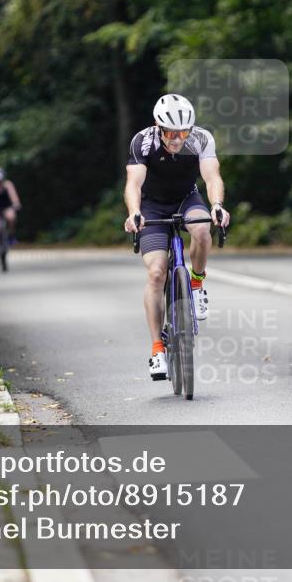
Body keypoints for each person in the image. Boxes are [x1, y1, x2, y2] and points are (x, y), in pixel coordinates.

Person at [123, 94, 231, 379]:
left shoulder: (200, 139)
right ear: (159, 127)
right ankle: (158, 348)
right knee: (156, 274)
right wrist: (134, 212)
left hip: (186, 199)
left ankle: (196, 284)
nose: (177, 138)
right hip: (152, 206)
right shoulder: (143, 141)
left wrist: (218, 206)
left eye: (183, 132)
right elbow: (133, 183)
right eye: (171, 132)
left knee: (202, 228)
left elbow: (212, 177)